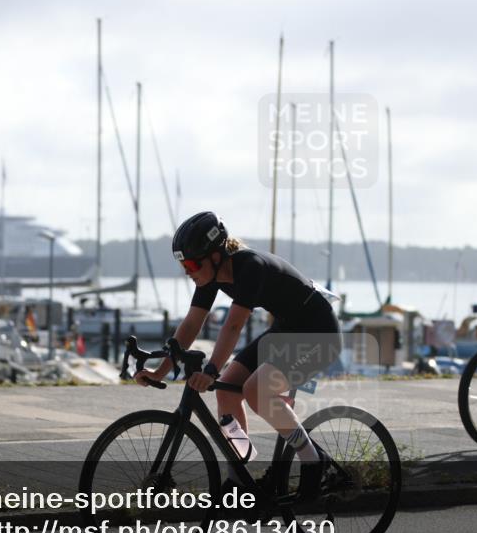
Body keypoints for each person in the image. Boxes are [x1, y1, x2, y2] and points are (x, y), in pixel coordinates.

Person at [133, 211, 342, 501]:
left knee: (255, 390)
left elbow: (233, 325)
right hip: (286, 331)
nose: (187, 271)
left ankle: (312, 460)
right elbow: (192, 324)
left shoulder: (250, 266)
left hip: (318, 334)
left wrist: (212, 370)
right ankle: (240, 478)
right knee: (228, 393)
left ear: (216, 255)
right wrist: (161, 370)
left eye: (191, 263)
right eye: (183, 264)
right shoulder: (211, 277)